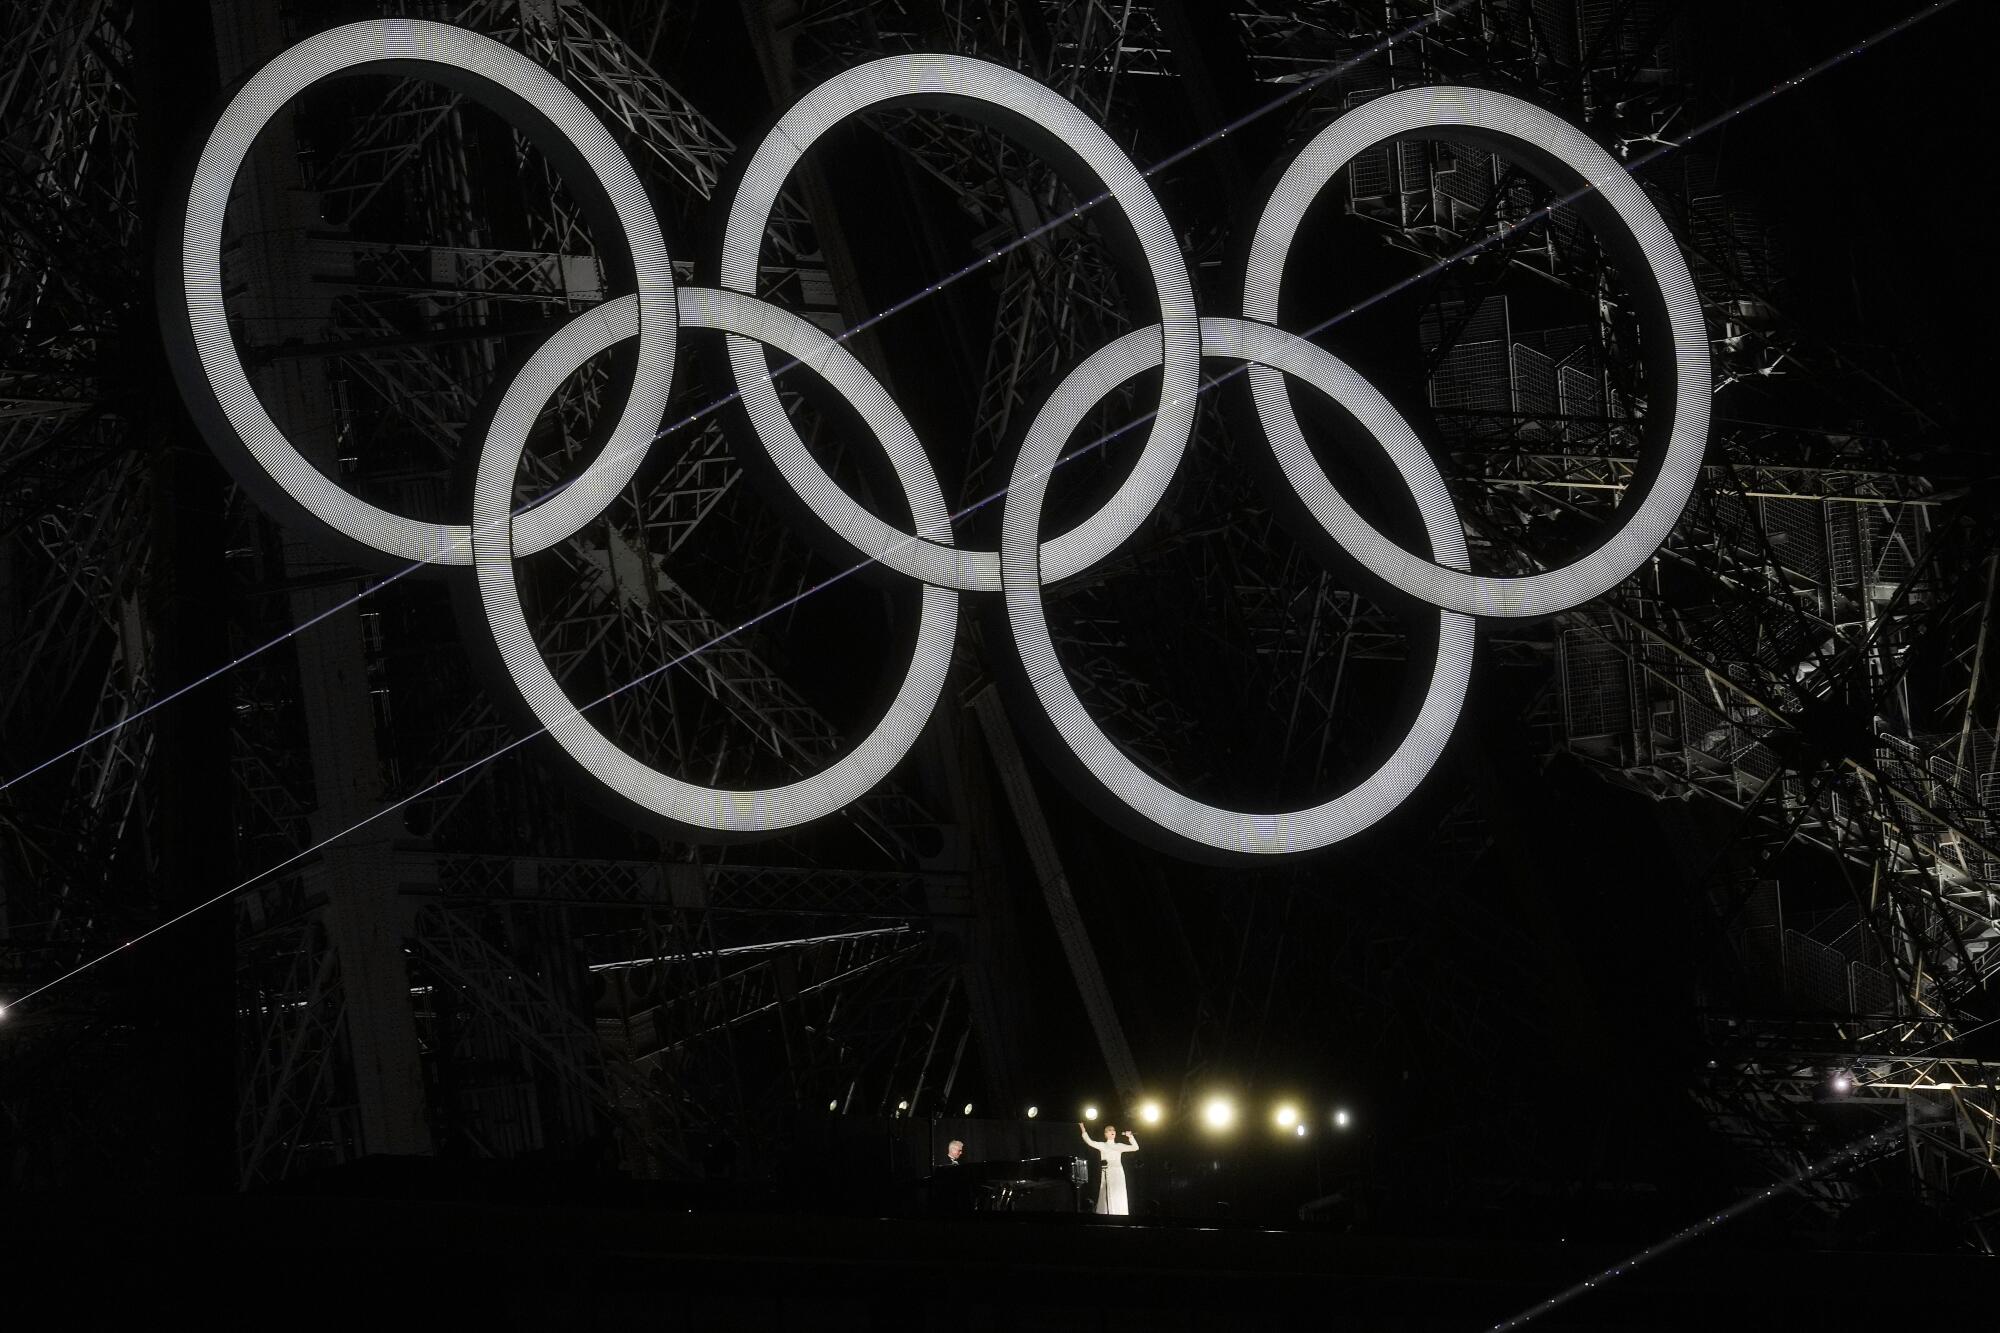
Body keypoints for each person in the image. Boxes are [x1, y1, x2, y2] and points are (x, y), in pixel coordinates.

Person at [1078, 1122, 1138, 1216]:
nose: (1112, 1131)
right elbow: (1089, 1141)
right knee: (1107, 1191)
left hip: (1118, 1172)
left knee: (1119, 1192)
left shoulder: (1119, 1146)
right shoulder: (1103, 1145)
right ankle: (1106, 1214)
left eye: (1113, 1130)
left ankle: (1121, 1214)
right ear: (1105, 1134)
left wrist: (1130, 1137)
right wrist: (1082, 1128)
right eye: (1109, 1130)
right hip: (1107, 1171)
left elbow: (1135, 1147)